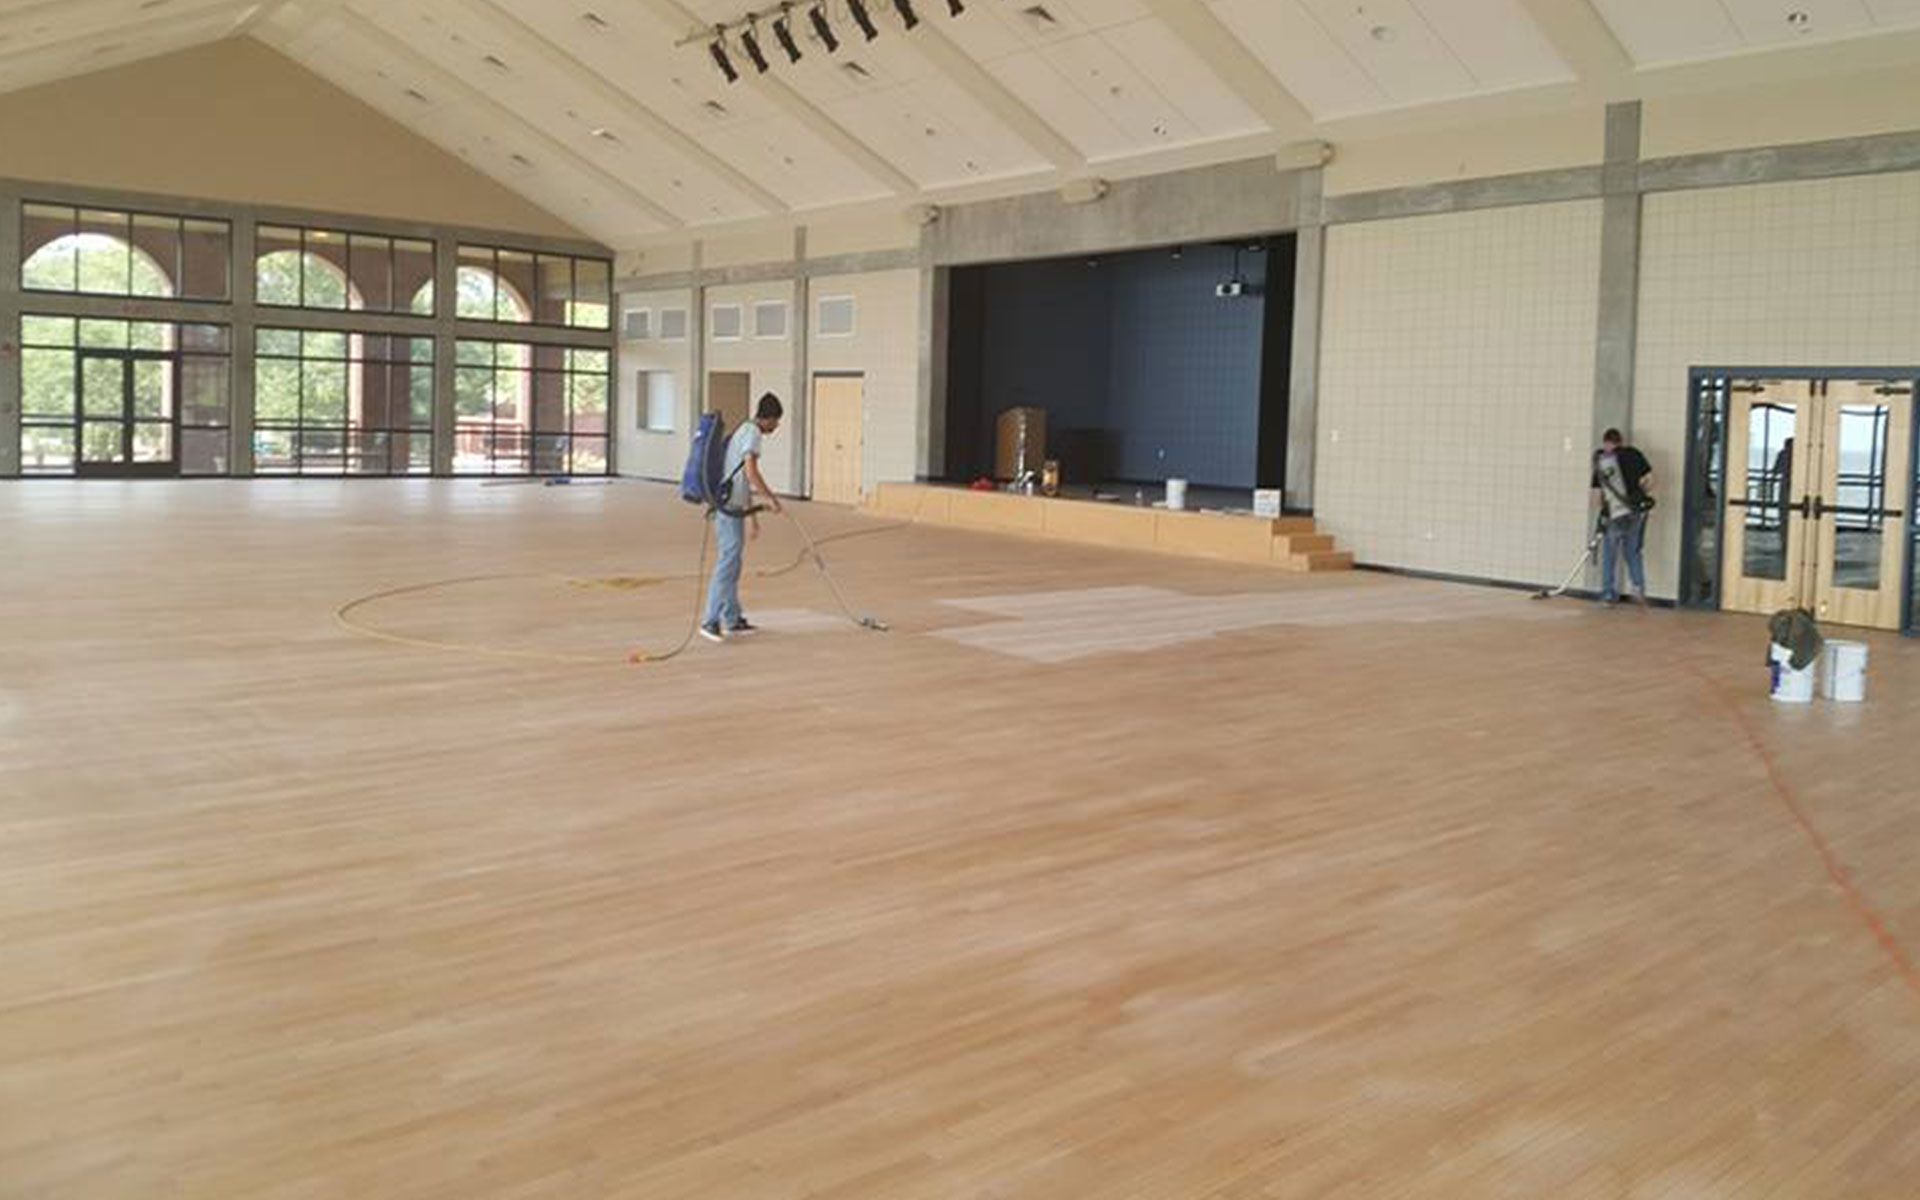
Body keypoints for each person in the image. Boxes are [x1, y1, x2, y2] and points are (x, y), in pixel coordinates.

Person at [701, 393, 785, 642]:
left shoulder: (745, 429)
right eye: (776, 421)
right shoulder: (753, 434)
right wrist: (770, 497)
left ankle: (732, 618)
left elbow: (741, 479)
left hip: (732, 507)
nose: (776, 426)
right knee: (728, 563)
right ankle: (710, 620)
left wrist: (752, 517)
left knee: (733, 564)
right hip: (727, 509)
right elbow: (750, 471)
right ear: (768, 418)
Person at [1591, 428, 1653, 606]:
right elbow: (1652, 479)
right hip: (1635, 511)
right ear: (1621, 441)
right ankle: (1638, 588)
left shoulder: (1603, 463)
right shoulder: (1634, 454)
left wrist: (1603, 510)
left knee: (1610, 553)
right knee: (1633, 551)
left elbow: (1596, 496)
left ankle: (1609, 594)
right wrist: (1639, 495)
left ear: (1606, 443)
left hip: (1615, 513)